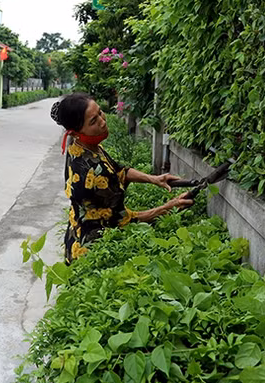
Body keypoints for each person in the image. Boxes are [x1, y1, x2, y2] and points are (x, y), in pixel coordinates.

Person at [50, 93, 193, 263]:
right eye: (93, 122)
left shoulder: (82, 147)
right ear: (75, 133)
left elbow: (118, 170)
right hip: (92, 252)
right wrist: (170, 207)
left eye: (100, 113)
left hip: (76, 233)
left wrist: (154, 179)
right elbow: (122, 220)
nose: (103, 122)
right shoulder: (92, 173)